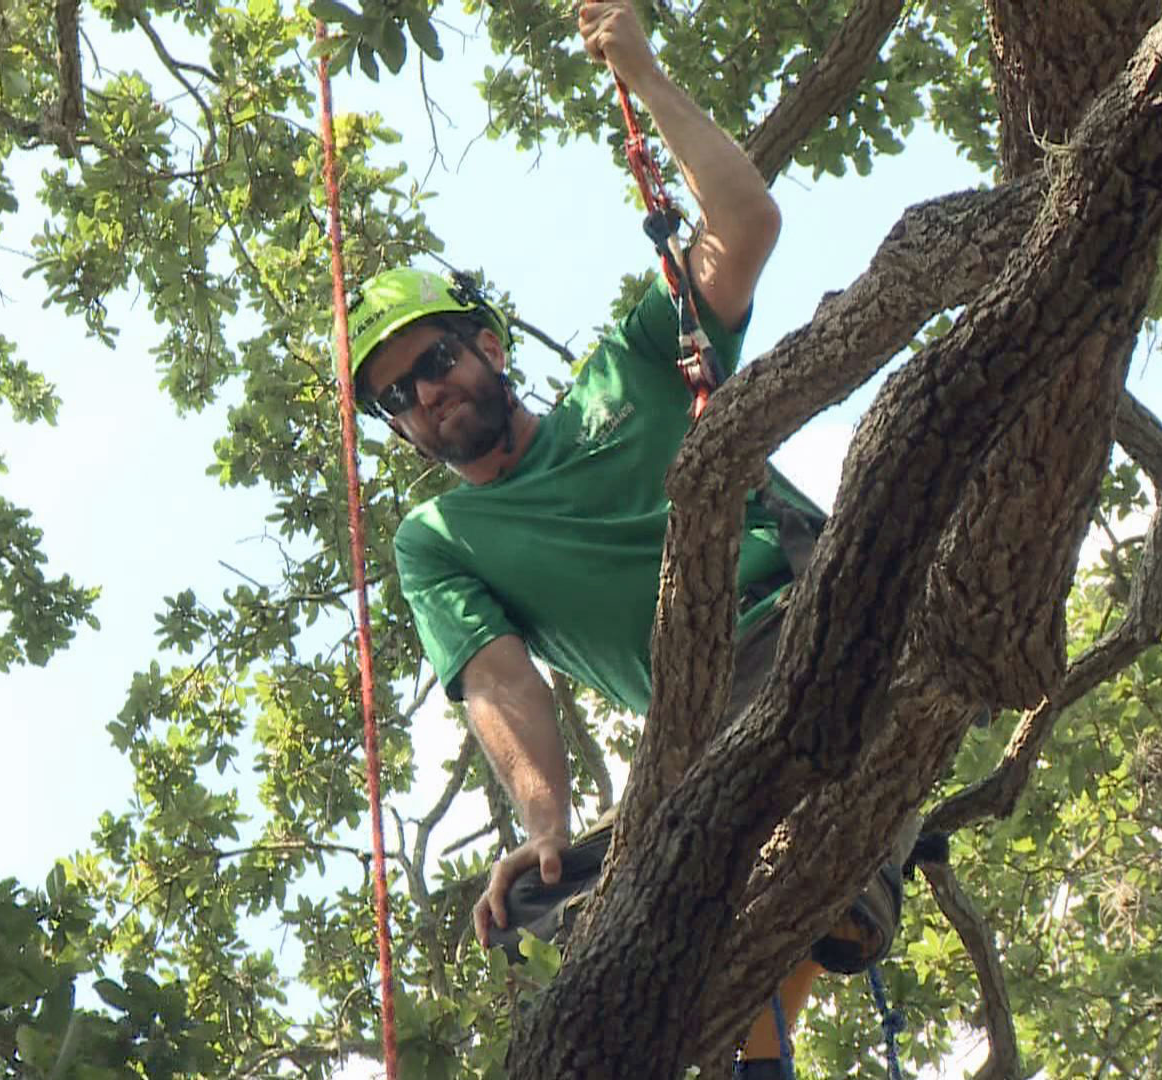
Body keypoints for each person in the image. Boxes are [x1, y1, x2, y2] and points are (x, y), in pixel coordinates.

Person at [340, 2, 912, 1075]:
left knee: (757, 839)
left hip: (807, 622)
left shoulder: (631, 363)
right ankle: (757, 1048)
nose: (426, 395)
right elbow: (503, 686)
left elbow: (745, 224)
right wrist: (547, 822)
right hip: (699, 725)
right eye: (398, 397)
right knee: (564, 904)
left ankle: (811, 918)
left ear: (490, 344)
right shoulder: (442, 537)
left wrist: (644, 75)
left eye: (435, 361)